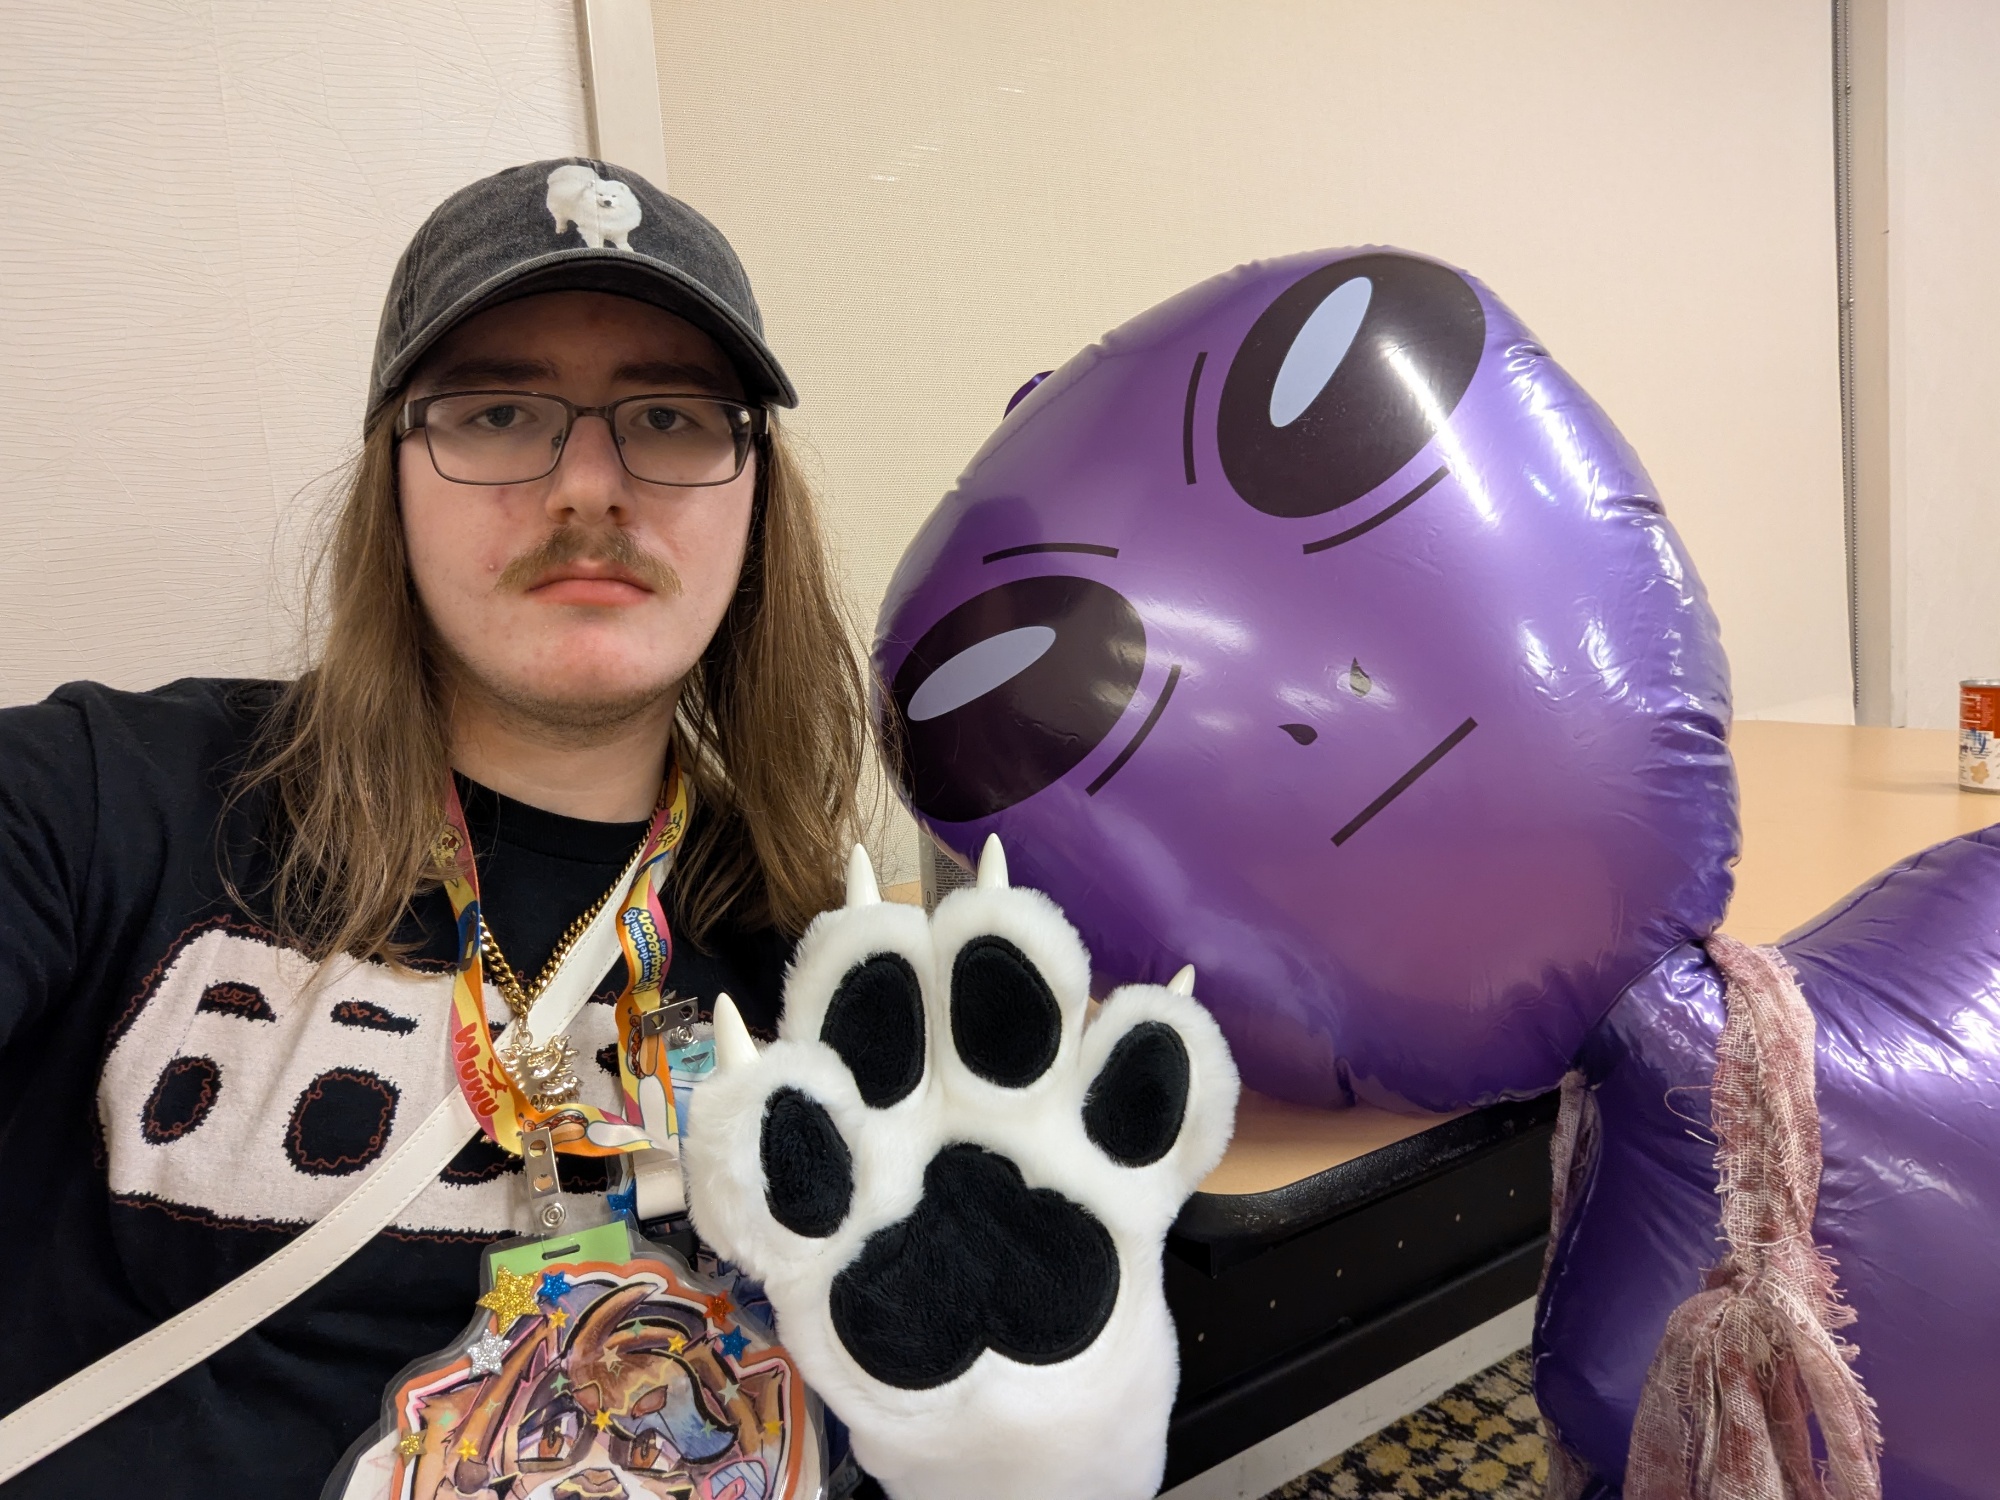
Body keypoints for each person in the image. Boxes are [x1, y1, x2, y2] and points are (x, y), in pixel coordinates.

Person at [0, 158, 869, 1494]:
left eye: (671, 416)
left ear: (755, 495)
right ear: (392, 481)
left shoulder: (825, 962)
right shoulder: (110, 801)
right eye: (500, 412)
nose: (589, 487)